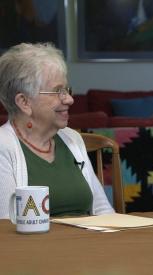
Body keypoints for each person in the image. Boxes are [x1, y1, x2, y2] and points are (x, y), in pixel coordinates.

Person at [0, 43, 114, 219]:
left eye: (66, 90)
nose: (69, 99)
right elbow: (6, 225)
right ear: (24, 102)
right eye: (57, 92)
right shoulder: (3, 146)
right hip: (37, 245)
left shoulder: (72, 139)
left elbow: (103, 210)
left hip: (90, 243)